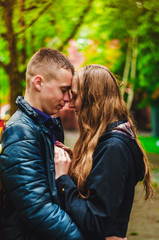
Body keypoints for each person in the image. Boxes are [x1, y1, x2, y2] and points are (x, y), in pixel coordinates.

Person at [54, 64, 153, 240]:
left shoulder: (113, 148)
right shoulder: (110, 143)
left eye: (75, 96)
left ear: (93, 99)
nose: (70, 103)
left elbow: (95, 222)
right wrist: (74, 164)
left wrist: (62, 180)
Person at [0, 48, 85, 240]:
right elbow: (37, 209)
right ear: (38, 82)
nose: (67, 99)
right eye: (63, 90)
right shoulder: (21, 131)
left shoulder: (45, 126)